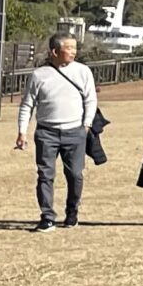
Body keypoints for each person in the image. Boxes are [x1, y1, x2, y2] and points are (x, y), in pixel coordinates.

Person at [12, 33, 98, 231]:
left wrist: (86, 124)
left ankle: (72, 211)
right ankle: (47, 216)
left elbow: (90, 99)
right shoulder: (39, 75)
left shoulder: (83, 71)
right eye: (69, 48)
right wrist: (22, 132)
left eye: (75, 48)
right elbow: (27, 105)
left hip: (75, 131)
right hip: (46, 132)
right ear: (54, 51)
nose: (73, 52)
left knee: (75, 175)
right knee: (45, 175)